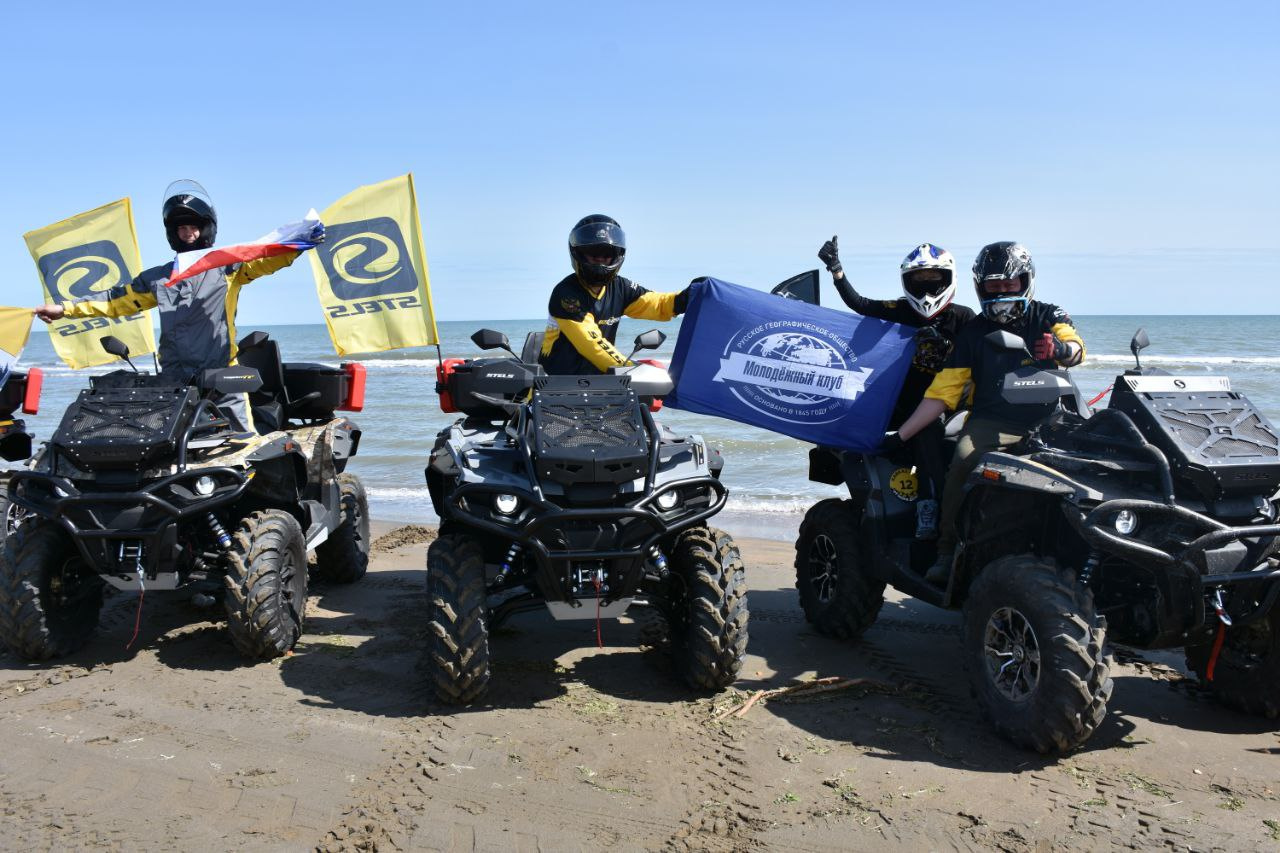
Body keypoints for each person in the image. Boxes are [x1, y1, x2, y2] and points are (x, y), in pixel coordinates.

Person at [32, 180, 322, 431]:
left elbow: (265, 260)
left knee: (242, 444)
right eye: (182, 227)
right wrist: (64, 309)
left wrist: (297, 245)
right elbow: (114, 301)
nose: (188, 233)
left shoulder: (228, 268)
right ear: (173, 232)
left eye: (194, 226)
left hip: (221, 375)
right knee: (162, 447)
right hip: (173, 380)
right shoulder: (157, 278)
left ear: (205, 229)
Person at [892, 241, 1085, 585]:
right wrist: (901, 435)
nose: (1002, 292)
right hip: (993, 422)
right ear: (981, 287)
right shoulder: (974, 332)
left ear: (1026, 281)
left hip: (1052, 422)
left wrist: (1060, 349)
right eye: (994, 286)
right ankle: (946, 551)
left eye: (1010, 284)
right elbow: (942, 393)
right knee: (963, 460)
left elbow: (1075, 348)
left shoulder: (1048, 315)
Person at [817, 236, 975, 539]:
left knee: (929, 433)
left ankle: (929, 505)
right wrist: (836, 270)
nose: (926, 288)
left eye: (934, 279)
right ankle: (873, 499)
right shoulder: (900, 310)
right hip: (902, 402)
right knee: (850, 418)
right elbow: (860, 305)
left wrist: (946, 348)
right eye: (919, 280)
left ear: (949, 279)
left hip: (945, 406)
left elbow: (980, 355)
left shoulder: (964, 318)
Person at [540, 214, 691, 375]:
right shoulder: (566, 294)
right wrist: (631, 369)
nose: (600, 261)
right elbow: (592, 344)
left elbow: (658, 304)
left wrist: (687, 298)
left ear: (617, 256)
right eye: (593, 254)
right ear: (578, 254)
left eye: (606, 255)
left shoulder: (620, 287)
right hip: (555, 384)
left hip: (601, 382)